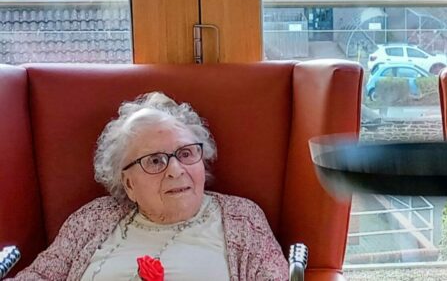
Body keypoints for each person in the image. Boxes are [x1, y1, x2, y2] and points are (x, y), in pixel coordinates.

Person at [11, 92, 288, 280]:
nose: (176, 170)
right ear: (128, 183)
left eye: (186, 154)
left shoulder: (242, 217)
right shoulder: (92, 219)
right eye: (155, 161)